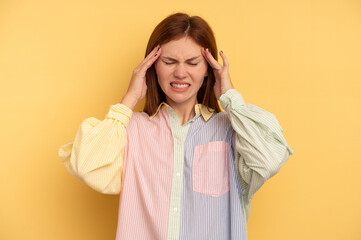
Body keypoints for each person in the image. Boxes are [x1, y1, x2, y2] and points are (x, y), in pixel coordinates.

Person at [59, 12, 294, 240]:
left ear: (208, 71)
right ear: (153, 67)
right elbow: (87, 165)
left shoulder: (231, 131)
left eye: (192, 63)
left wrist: (230, 97)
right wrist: (129, 99)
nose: (180, 73)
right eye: (169, 62)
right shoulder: (132, 130)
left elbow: (269, 159)